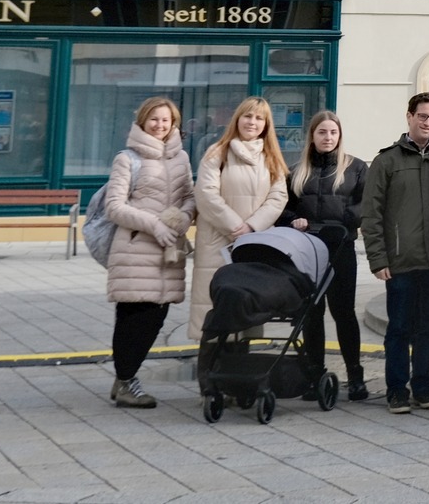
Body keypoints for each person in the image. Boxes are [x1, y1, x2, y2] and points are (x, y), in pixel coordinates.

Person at [360, 92, 429, 414]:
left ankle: (422, 386)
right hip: (400, 262)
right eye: (423, 116)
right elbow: (371, 214)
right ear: (409, 117)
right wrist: (378, 259)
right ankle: (396, 390)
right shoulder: (386, 161)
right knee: (399, 328)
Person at [102, 96, 195, 409]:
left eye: (166, 120)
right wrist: (154, 225)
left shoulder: (181, 158)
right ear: (142, 121)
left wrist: (184, 217)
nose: (160, 125)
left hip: (169, 253)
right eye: (154, 119)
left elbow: (190, 197)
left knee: (156, 317)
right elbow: (114, 206)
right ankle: (127, 380)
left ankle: (125, 378)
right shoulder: (127, 158)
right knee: (133, 317)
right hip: (136, 249)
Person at [279, 109, 369, 402]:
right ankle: (313, 375)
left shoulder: (355, 168)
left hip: (340, 249)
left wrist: (342, 217)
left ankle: (355, 376)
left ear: (339, 135)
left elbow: (364, 205)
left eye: (333, 132)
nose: (328, 137)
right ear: (312, 136)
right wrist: (294, 219)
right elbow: (283, 207)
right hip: (306, 251)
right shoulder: (296, 170)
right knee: (311, 314)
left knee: (344, 314)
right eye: (322, 132)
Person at [188, 96, 290, 339]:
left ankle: (241, 367)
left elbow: (278, 197)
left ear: (266, 124)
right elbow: (205, 195)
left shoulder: (271, 157)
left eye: (259, 118)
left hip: (254, 243)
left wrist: (251, 228)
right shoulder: (217, 153)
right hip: (217, 244)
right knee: (213, 310)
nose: (252, 122)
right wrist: (236, 227)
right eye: (247, 116)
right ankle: (211, 370)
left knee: (245, 311)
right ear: (237, 119)